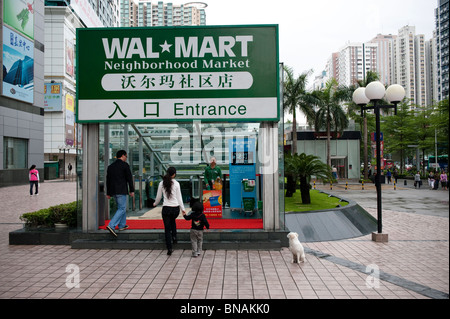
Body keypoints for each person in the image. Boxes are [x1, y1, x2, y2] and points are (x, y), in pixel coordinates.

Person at [154, 167, 186, 255]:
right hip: (175, 209)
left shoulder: (161, 183)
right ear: (174, 174)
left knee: (167, 229)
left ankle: (169, 248)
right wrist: (183, 209)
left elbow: (158, 197)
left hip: (166, 208)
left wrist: (155, 203)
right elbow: (180, 198)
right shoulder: (176, 183)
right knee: (173, 221)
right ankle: (174, 237)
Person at [106, 150, 135, 237]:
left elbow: (108, 181)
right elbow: (129, 178)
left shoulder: (110, 166)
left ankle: (122, 225)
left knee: (120, 207)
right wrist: (132, 190)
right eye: (126, 156)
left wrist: (108, 193)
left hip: (113, 191)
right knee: (122, 208)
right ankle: (111, 225)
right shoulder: (125, 165)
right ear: (122, 156)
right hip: (121, 190)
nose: (126, 158)